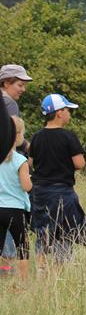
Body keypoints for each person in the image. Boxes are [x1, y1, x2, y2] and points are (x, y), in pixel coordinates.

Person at [29, 94, 86, 264]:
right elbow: (79, 163)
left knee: (43, 230)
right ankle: (58, 269)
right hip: (62, 190)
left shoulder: (36, 136)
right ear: (59, 113)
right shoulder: (68, 136)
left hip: (39, 191)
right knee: (64, 231)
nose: (70, 113)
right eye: (68, 110)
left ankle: (41, 269)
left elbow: (31, 163)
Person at [0, 64, 32, 261]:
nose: (23, 89)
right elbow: (10, 134)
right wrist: (28, 147)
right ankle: (9, 269)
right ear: (5, 83)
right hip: (11, 164)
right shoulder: (9, 104)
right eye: (19, 84)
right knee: (15, 241)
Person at [0, 117, 32, 279]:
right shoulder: (20, 160)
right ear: (18, 136)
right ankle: (24, 280)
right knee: (22, 246)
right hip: (15, 209)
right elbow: (26, 187)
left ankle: (4, 272)